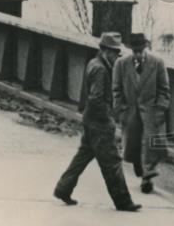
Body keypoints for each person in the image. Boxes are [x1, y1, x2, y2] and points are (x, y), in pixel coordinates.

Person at [53, 32, 141, 212]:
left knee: (83, 156)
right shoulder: (101, 69)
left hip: (90, 120)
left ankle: (63, 188)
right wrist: (108, 121)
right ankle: (123, 201)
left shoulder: (94, 64)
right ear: (105, 50)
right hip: (99, 123)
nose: (117, 56)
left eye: (118, 52)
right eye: (114, 52)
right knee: (112, 162)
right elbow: (96, 99)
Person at [113, 33, 172, 194]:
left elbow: (164, 89)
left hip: (150, 112)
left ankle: (147, 178)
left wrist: (160, 109)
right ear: (131, 49)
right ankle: (139, 166)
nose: (138, 53)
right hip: (131, 112)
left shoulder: (157, 63)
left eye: (140, 50)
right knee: (133, 144)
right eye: (135, 50)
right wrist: (121, 110)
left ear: (145, 48)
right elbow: (116, 90)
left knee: (149, 144)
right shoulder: (121, 64)